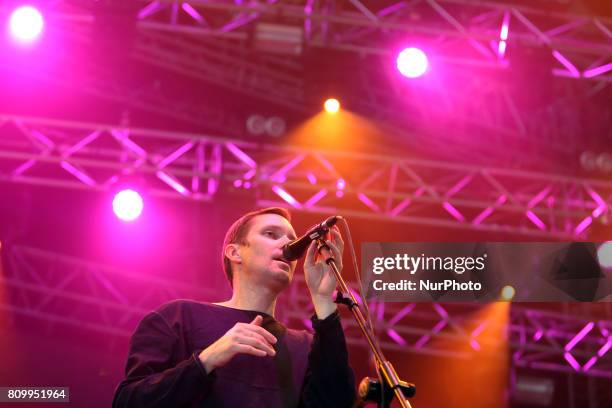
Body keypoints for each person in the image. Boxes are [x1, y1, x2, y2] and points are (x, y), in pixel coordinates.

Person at [112, 207, 355, 407]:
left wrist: (323, 300)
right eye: (271, 234)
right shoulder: (178, 317)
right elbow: (128, 402)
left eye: (292, 240)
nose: (287, 244)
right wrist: (206, 360)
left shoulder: (306, 346)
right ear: (234, 252)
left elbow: (337, 404)